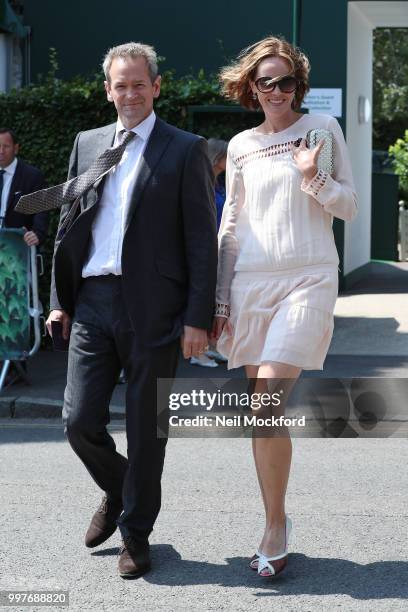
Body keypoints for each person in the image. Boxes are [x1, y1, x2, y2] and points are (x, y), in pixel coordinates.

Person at [29, 42, 217, 578]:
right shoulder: (87, 143)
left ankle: (136, 533)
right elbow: (68, 226)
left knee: (146, 427)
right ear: (107, 89)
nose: (129, 93)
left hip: (156, 311)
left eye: (139, 84)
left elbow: (201, 241)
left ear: (156, 87)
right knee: (78, 420)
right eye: (120, 84)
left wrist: (197, 318)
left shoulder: (185, 149)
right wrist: (61, 301)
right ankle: (120, 488)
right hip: (93, 301)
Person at [212, 36, 357, 578]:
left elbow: (350, 206)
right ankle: (276, 522)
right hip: (251, 285)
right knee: (262, 409)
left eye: (286, 82)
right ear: (252, 86)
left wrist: (312, 177)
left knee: (269, 390)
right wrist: (221, 297)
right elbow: (231, 226)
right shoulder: (242, 144)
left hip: (308, 278)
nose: (276, 90)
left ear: (300, 86)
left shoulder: (322, 131)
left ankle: (274, 528)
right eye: (265, 81)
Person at [190, 137, 229, 368]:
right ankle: (198, 353)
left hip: (220, 247)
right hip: (206, 248)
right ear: (217, 157)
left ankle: (211, 347)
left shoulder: (218, 183)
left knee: (216, 300)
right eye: (226, 156)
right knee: (204, 299)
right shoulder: (200, 182)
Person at [0, 127, 48, 245]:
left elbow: (41, 209)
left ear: (16, 148)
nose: (1, 151)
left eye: (6, 146)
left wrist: (37, 233)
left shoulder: (32, 176)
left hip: (19, 245)